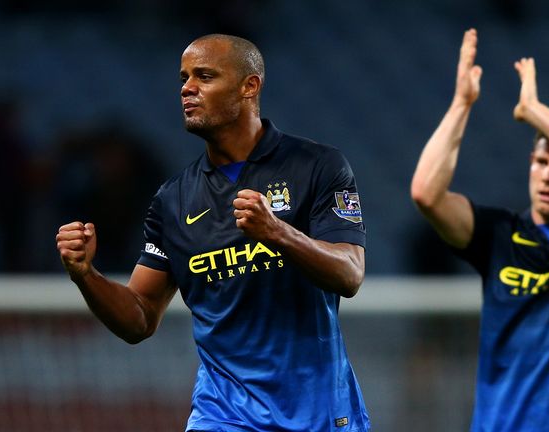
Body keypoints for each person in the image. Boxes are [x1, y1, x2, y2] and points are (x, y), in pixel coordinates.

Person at [56, 34, 370, 432]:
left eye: (204, 76)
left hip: (319, 413)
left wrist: (277, 232)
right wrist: (86, 275)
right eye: (184, 78)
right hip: (222, 415)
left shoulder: (318, 166)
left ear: (249, 86)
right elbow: (139, 317)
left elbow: (349, 274)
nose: (187, 88)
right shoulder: (173, 201)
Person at [410, 29, 549, 431]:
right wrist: (462, 104)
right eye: (540, 161)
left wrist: (532, 108)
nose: (548, 176)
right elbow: (426, 193)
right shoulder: (497, 234)